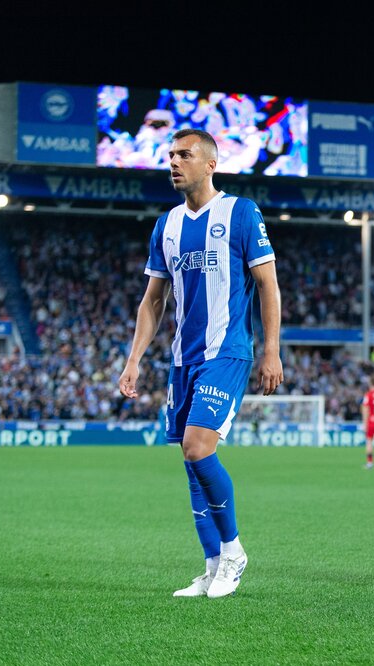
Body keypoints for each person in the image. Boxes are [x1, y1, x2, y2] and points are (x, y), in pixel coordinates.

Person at [118, 128, 283, 598]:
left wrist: (271, 349)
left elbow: (268, 285)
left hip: (227, 351)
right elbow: (153, 301)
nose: (173, 162)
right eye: (170, 154)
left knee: (197, 448)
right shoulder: (166, 225)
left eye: (184, 155)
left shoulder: (240, 212)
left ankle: (233, 552)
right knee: (190, 463)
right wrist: (133, 360)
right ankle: (211, 565)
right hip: (182, 360)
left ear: (210, 164)